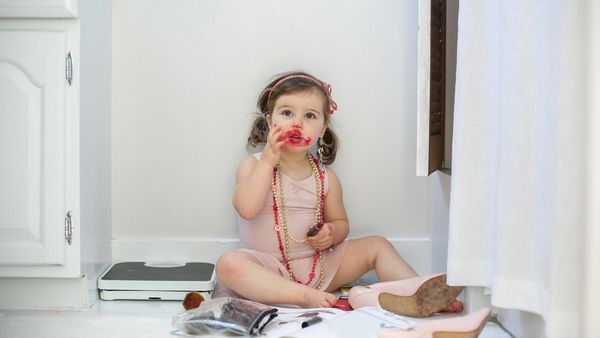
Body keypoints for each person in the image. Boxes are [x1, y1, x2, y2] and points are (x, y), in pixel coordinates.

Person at [216, 71, 463, 312]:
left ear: (323, 129)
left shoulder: (326, 178)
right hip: (268, 270)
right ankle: (302, 296)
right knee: (229, 264)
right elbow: (247, 209)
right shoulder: (254, 165)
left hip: (318, 266)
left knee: (377, 245)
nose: (297, 123)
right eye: (287, 113)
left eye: (310, 116)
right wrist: (268, 162)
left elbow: (341, 223)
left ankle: (418, 292)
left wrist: (331, 233)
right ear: (271, 122)